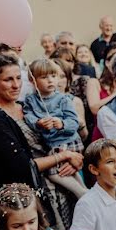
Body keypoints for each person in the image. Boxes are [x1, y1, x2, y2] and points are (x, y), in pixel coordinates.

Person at [0, 54, 84, 230]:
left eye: (18, 78)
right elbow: (21, 165)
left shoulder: (27, 105)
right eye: (7, 79)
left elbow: (64, 133)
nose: (15, 85)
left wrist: (73, 157)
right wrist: (63, 156)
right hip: (33, 195)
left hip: (61, 184)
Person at [23, 59, 87, 198]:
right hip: (53, 144)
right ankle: (85, 192)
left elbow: (74, 122)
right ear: (33, 80)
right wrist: (38, 123)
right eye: (44, 77)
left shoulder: (63, 99)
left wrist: (62, 124)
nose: (50, 80)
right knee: (69, 171)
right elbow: (28, 116)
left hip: (69, 142)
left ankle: (81, 193)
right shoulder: (31, 100)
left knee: (52, 173)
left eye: (53, 76)